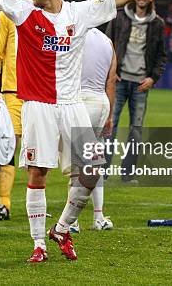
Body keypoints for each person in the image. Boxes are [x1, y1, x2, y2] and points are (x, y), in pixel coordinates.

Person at [0, 0, 154, 262]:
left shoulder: (80, 12)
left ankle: (61, 228)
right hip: (39, 106)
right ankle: (38, 246)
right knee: (38, 174)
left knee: (92, 170)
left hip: (72, 106)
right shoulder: (25, 12)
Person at [105, 0, 166, 182]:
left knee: (136, 130)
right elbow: (107, 44)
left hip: (141, 84)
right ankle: (103, 171)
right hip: (119, 81)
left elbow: (160, 55)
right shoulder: (120, 16)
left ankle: (127, 173)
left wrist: (153, 78)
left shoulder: (157, 23)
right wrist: (111, 72)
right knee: (110, 126)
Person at [0, 0, 31, 221]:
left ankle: (37, 202)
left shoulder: (50, 14)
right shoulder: (6, 16)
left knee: (39, 151)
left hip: (41, 94)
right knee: (8, 146)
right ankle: (4, 203)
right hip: (13, 93)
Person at [70, 27, 117, 232]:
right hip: (101, 103)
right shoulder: (107, 41)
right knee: (94, 161)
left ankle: (72, 222)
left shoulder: (73, 34)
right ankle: (99, 217)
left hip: (79, 101)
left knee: (76, 165)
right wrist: (110, 115)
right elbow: (112, 81)